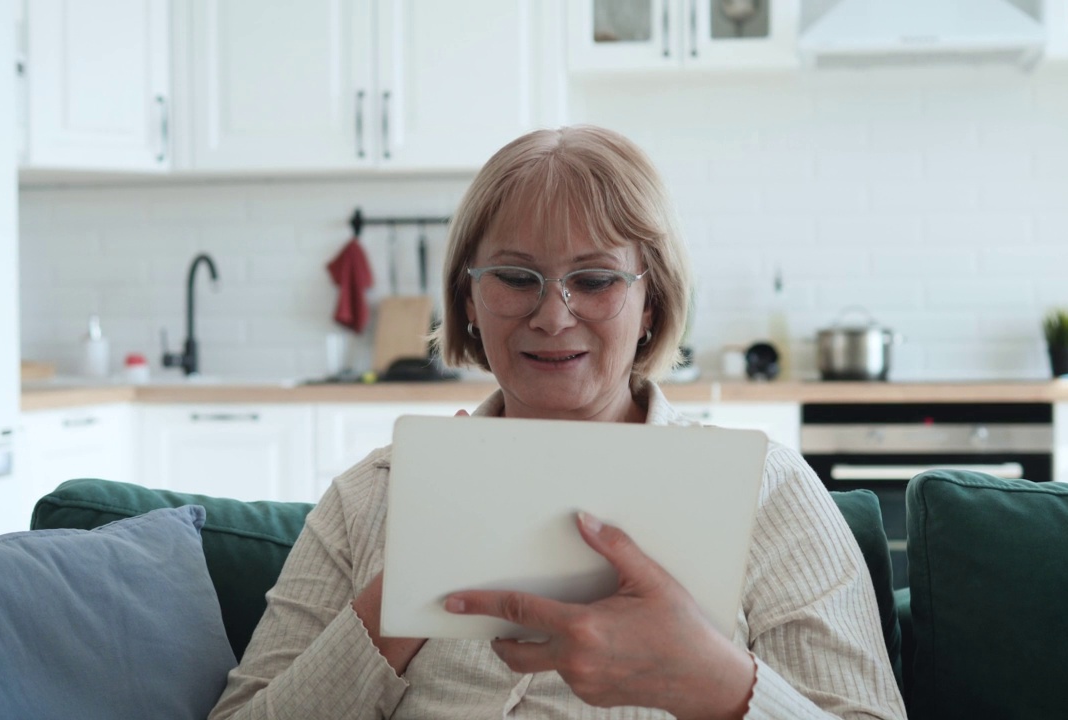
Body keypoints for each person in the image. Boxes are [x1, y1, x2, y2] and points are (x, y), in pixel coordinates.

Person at [208, 125, 906, 720]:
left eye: (596, 280)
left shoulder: (766, 490)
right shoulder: (373, 497)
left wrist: (719, 682)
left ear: (652, 306)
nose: (551, 314)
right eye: (516, 278)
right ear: (470, 302)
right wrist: (406, 585)